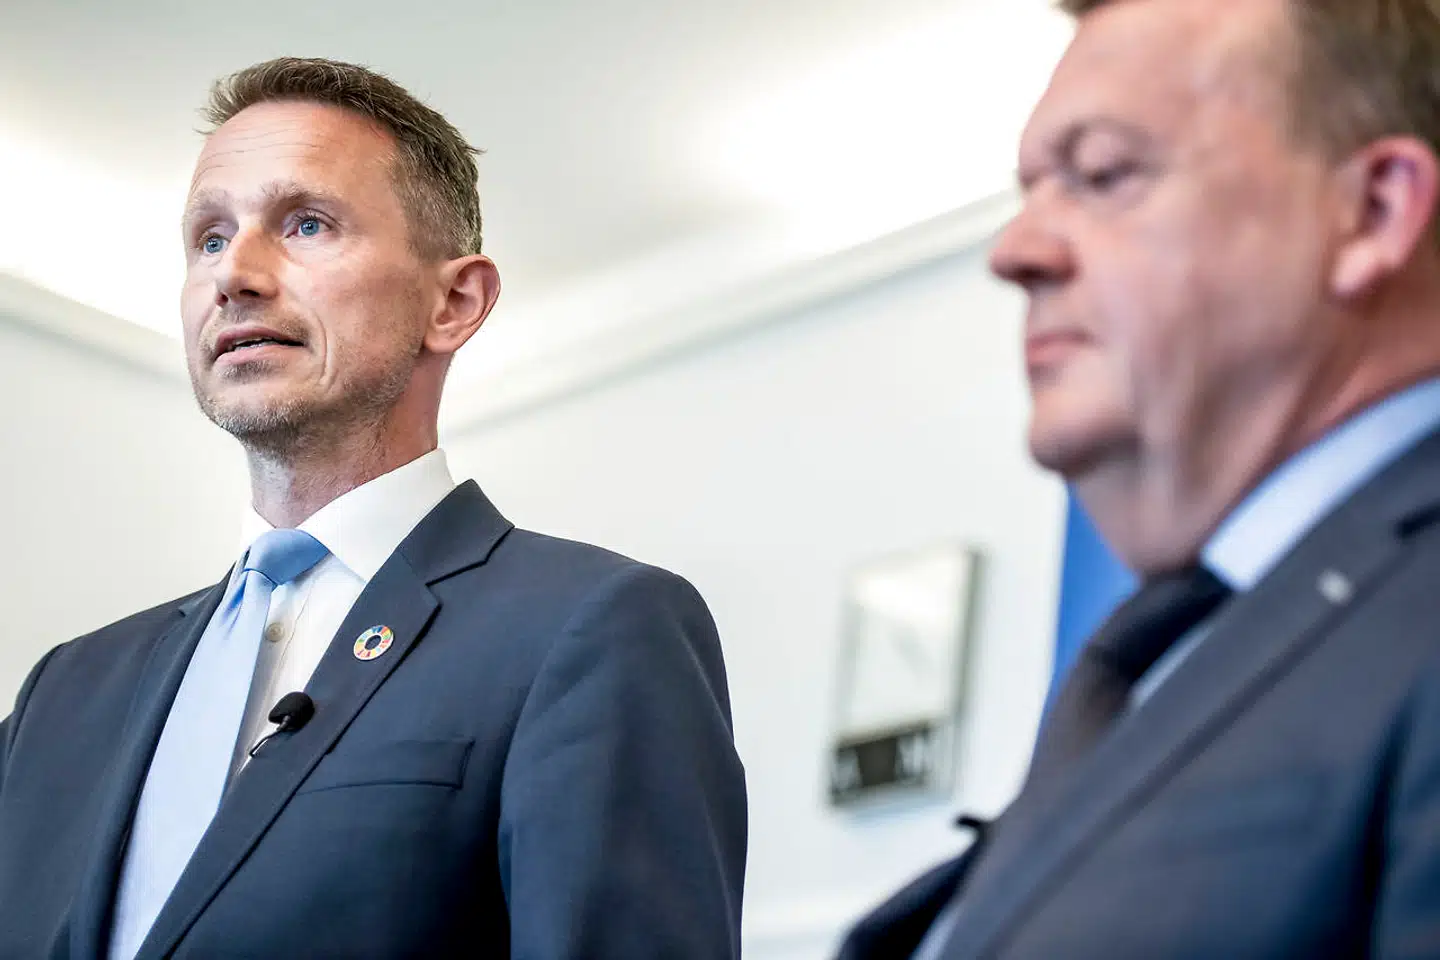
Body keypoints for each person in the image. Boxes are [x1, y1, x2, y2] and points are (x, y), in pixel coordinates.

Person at [0, 57, 746, 959]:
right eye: (209, 238)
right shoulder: (63, 692)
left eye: (306, 224)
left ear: (454, 302)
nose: (235, 274)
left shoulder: (593, 629)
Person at [841, 0, 1440, 956]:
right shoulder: (1175, 647)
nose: (1015, 251)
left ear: (1373, 211)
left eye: (1104, 174)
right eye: (1031, 191)